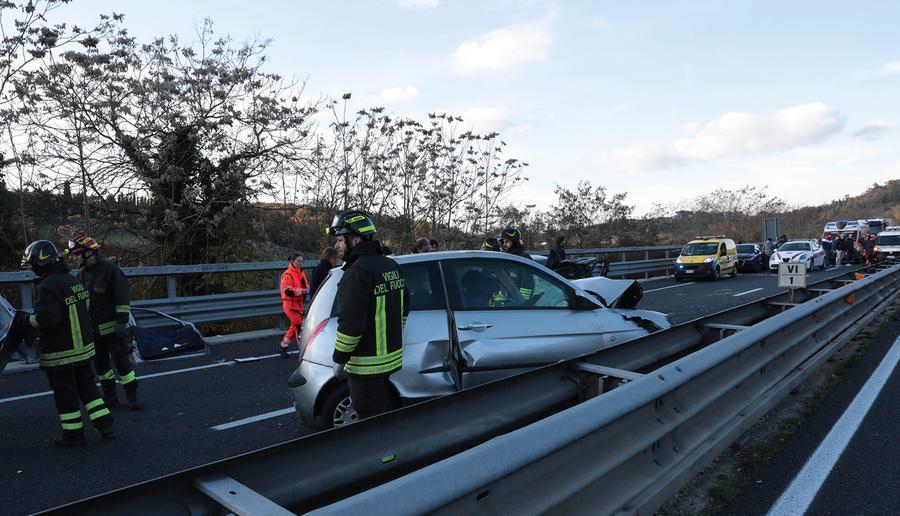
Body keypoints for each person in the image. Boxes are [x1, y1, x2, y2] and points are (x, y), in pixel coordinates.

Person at [13, 240, 114, 446]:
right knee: (88, 388)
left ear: (40, 263)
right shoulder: (72, 280)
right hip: (84, 350)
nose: (32, 269)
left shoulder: (48, 286)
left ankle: (74, 436)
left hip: (62, 353)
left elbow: (47, 319)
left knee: (65, 394)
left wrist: (26, 321)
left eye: (32, 264)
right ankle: (105, 425)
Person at [326, 210, 409, 419]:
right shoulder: (391, 265)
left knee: (371, 422)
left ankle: (386, 453)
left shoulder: (357, 273)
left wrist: (339, 359)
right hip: (389, 361)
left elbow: (351, 325)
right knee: (383, 412)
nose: (336, 246)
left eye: (339, 240)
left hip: (366, 366)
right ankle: (392, 449)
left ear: (354, 239)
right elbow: (405, 307)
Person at [67, 234, 141, 410]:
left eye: (77, 254)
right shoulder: (81, 276)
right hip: (93, 332)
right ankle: (111, 398)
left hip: (115, 329)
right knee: (101, 368)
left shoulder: (110, 270)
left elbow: (122, 298)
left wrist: (122, 323)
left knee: (122, 364)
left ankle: (132, 396)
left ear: (89, 253)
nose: (74, 258)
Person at [279, 253, 309, 359]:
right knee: (299, 326)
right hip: (290, 306)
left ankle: (283, 346)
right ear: (292, 261)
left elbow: (307, 286)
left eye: (302, 261)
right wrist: (305, 291)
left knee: (294, 327)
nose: (301, 263)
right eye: (298, 261)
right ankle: (303, 351)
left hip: (298, 305)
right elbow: (288, 291)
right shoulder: (287, 274)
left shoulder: (301, 273)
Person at [498, 226, 535, 300]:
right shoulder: (504, 259)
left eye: (506, 241)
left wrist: (522, 303)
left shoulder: (523, 259)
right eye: (503, 242)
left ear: (514, 242)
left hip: (516, 307)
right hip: (505, 305)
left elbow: (528, 284)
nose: (504, 244)